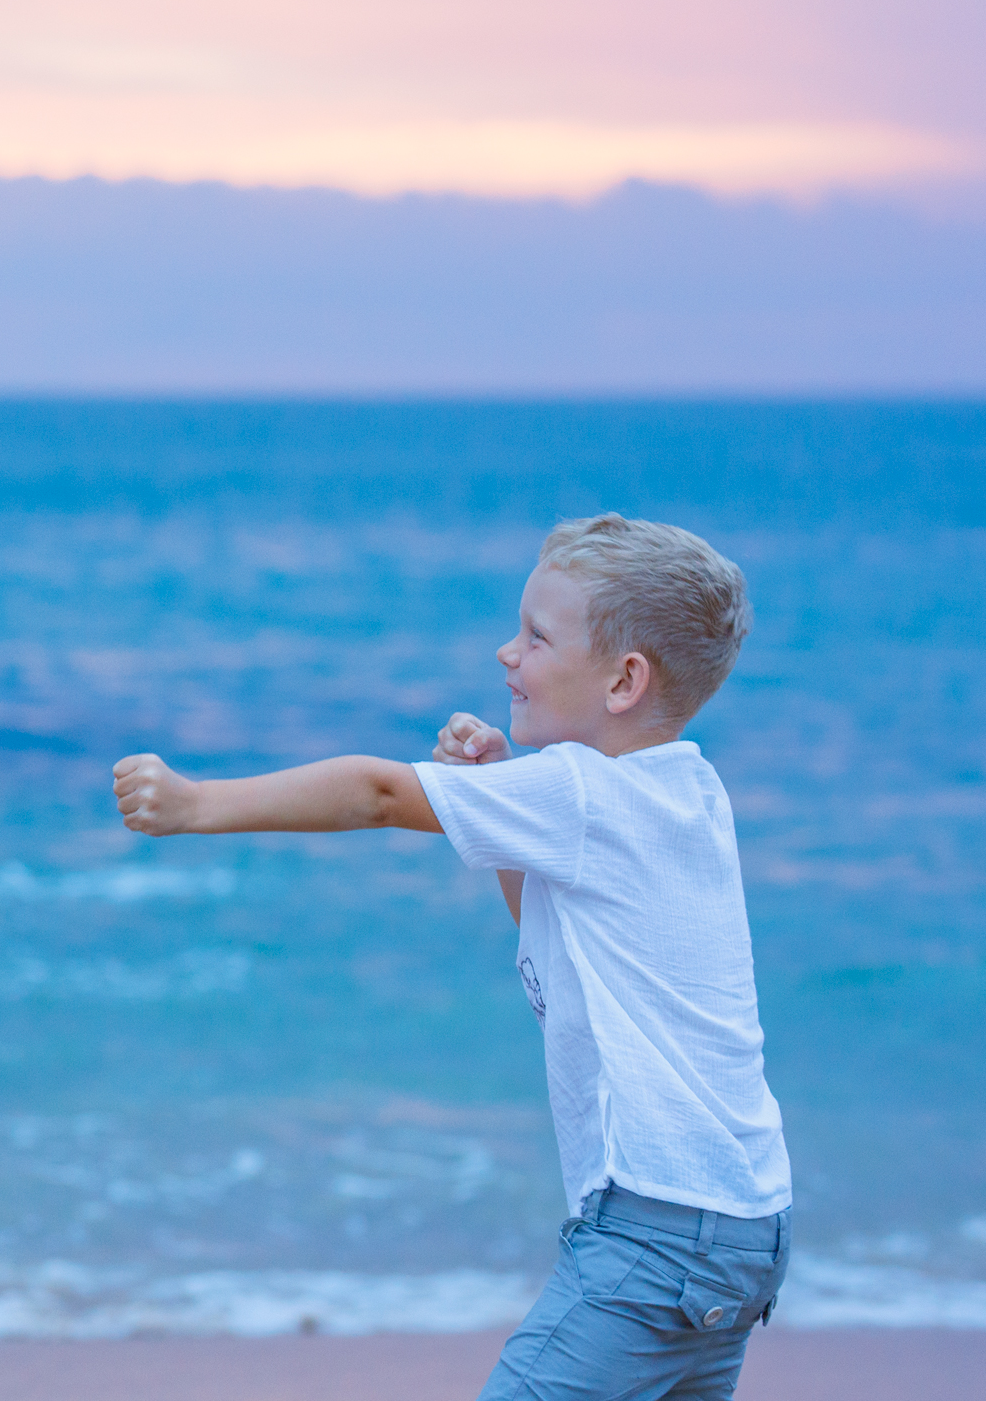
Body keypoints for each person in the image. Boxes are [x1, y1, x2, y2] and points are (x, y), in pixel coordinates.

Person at [111, 514, 789, 1400]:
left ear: (625, 680)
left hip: (652, 1237)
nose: (507, 654)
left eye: (537, 637)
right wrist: (494, 796)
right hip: (743, 1229)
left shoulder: (580, 794)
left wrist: (198, 804)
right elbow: (553, 933)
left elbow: (379, 793)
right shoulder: (689, 791)